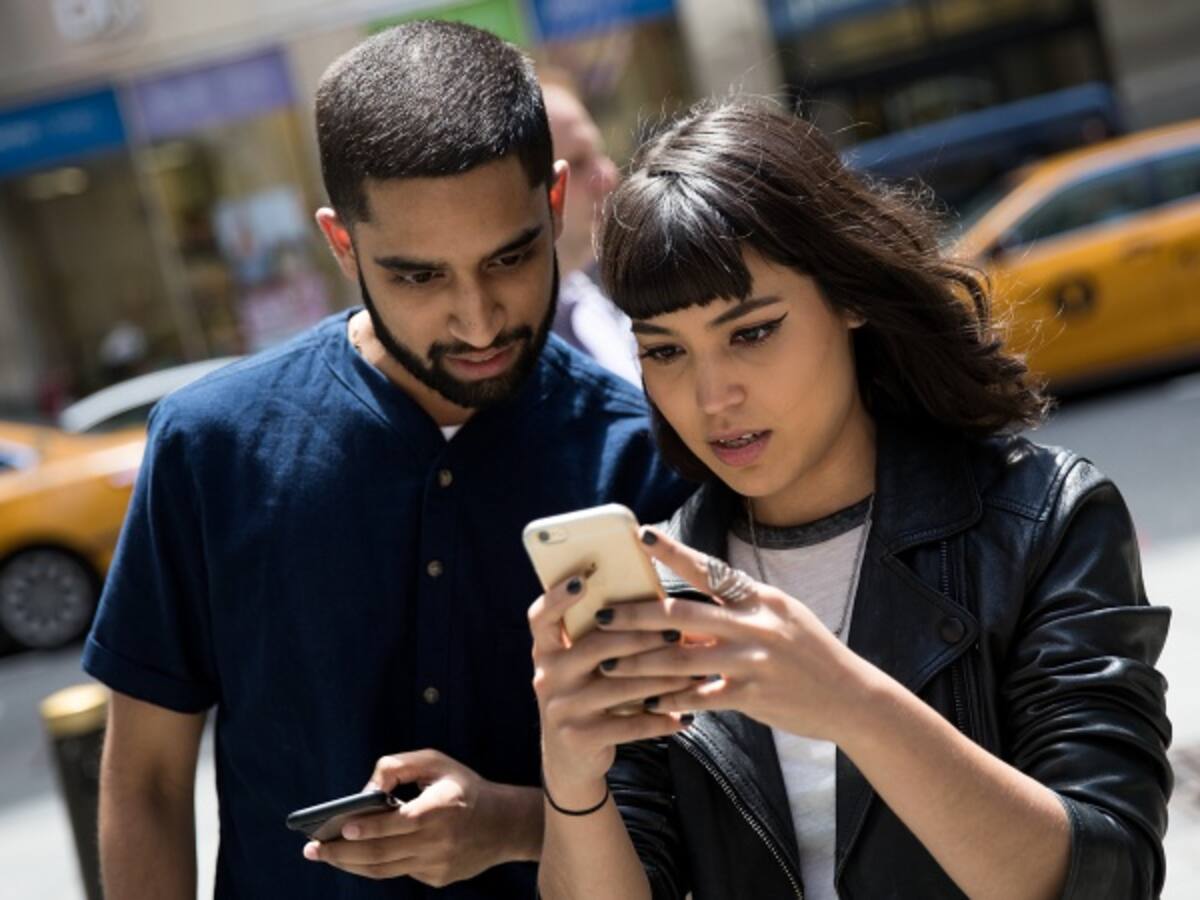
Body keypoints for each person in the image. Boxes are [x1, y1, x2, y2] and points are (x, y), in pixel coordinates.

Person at [82, 21, 690, 900]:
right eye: (419, 276)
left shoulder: (644, 456)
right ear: (342, 246)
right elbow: (145, 781)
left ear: (556, 203)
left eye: (511, 257)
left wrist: (510, 825)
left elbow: (698, 799)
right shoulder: (208, 446)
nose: (478, 319)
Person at [529, 97, 1172, 900]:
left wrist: (854, 704)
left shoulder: (1043, 517)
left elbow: (1108, 874)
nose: (712, 396)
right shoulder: (661, 592)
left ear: (849, 296)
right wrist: (572, 777)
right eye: (664, 351)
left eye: (752, 332)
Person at [541, 71, 640, 385]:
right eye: (578, 163)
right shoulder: (499, 352)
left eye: (600, 154)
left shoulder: (589, 303)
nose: (608, 175)